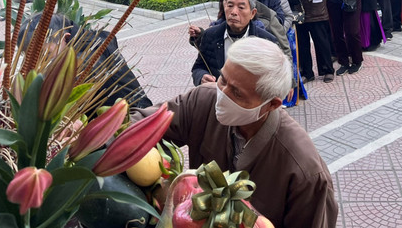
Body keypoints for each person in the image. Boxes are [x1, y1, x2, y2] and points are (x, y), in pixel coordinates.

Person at [132, 37, 338, 228]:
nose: (222, 94)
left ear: (272, 104)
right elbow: (139, 124)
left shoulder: (304, 170)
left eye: (237, 93)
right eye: (223, 79)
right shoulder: (203, 101)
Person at [190, 0, 276, 86]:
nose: (234, 12)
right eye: (230, 6)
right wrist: (201, 77)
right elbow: (198, 67)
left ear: (252, 13)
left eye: (241, 7)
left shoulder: (266, 41)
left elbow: (274, 78)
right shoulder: (210, 35)